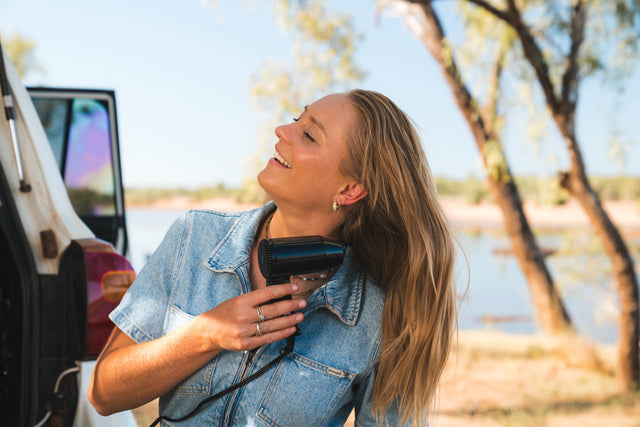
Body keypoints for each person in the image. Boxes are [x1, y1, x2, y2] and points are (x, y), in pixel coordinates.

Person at [88, 89, 457, 426]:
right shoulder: (194, 236)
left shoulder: (380, 313)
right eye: (297, 118)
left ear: (349, 190)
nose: (282, 130)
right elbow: (104, 393)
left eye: (309, 134)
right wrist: (205, 334)